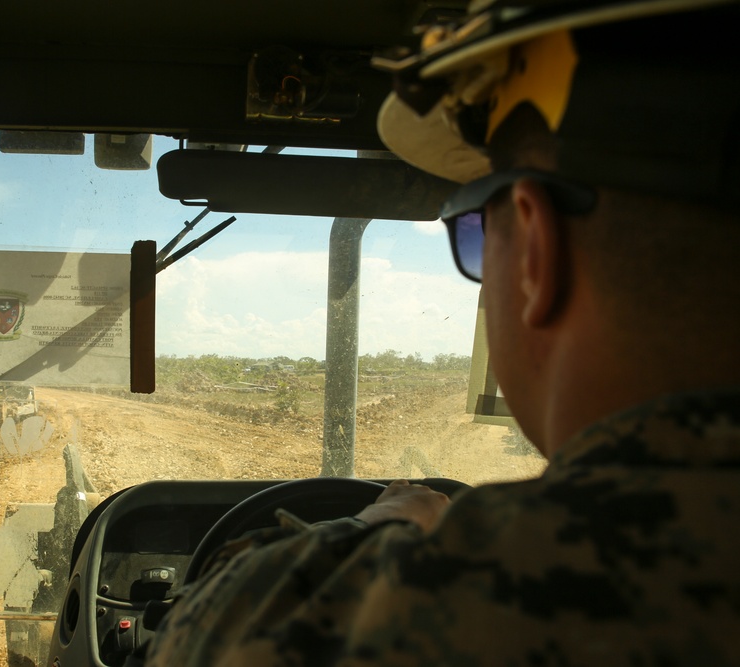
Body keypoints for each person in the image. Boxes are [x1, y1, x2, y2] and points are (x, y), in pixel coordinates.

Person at [145, 1, 740, 664]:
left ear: (536, 250)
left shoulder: (363, 614)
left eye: (476, 227)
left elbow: (205, 631)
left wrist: (380, 525)